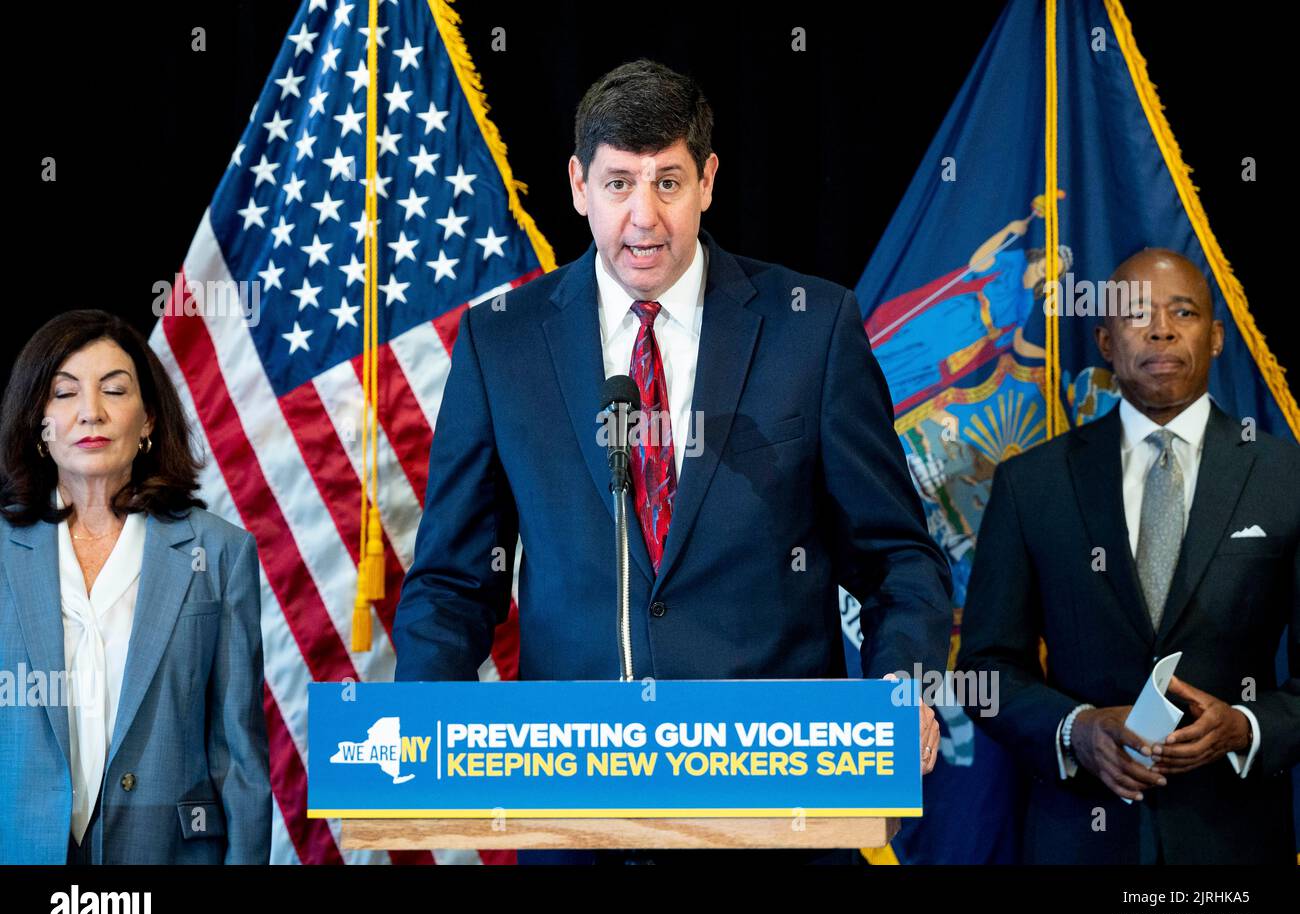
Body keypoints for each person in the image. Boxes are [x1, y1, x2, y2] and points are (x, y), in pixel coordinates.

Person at [391, 60, 952, 864]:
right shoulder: (503, 343)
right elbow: (452, 580)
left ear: (709, 181)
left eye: (668, 182)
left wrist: (901, 689)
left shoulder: (811, 328)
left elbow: (898, 556)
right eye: (619, 184)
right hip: (573, 814)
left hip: (778, 812)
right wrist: (422, 719)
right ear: (579, 185)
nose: (643, 217)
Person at [958, 248, 1299, 864]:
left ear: (1217, 337)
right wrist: (1077, 729)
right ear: (1106, 342)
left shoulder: (1288, 478)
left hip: (1233, 845)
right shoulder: (1031, 484)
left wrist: (1245, 728)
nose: (1162, 328)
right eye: (1137, 314)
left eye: (1184, 312)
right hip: (1078, 841)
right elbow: (985, 669)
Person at [0, 309, 271, 864]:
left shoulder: (220, 552)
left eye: (114, 391)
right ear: (37, 423)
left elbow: (239, 758)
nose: (90, 413)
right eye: (64, 393)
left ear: (148, 420)